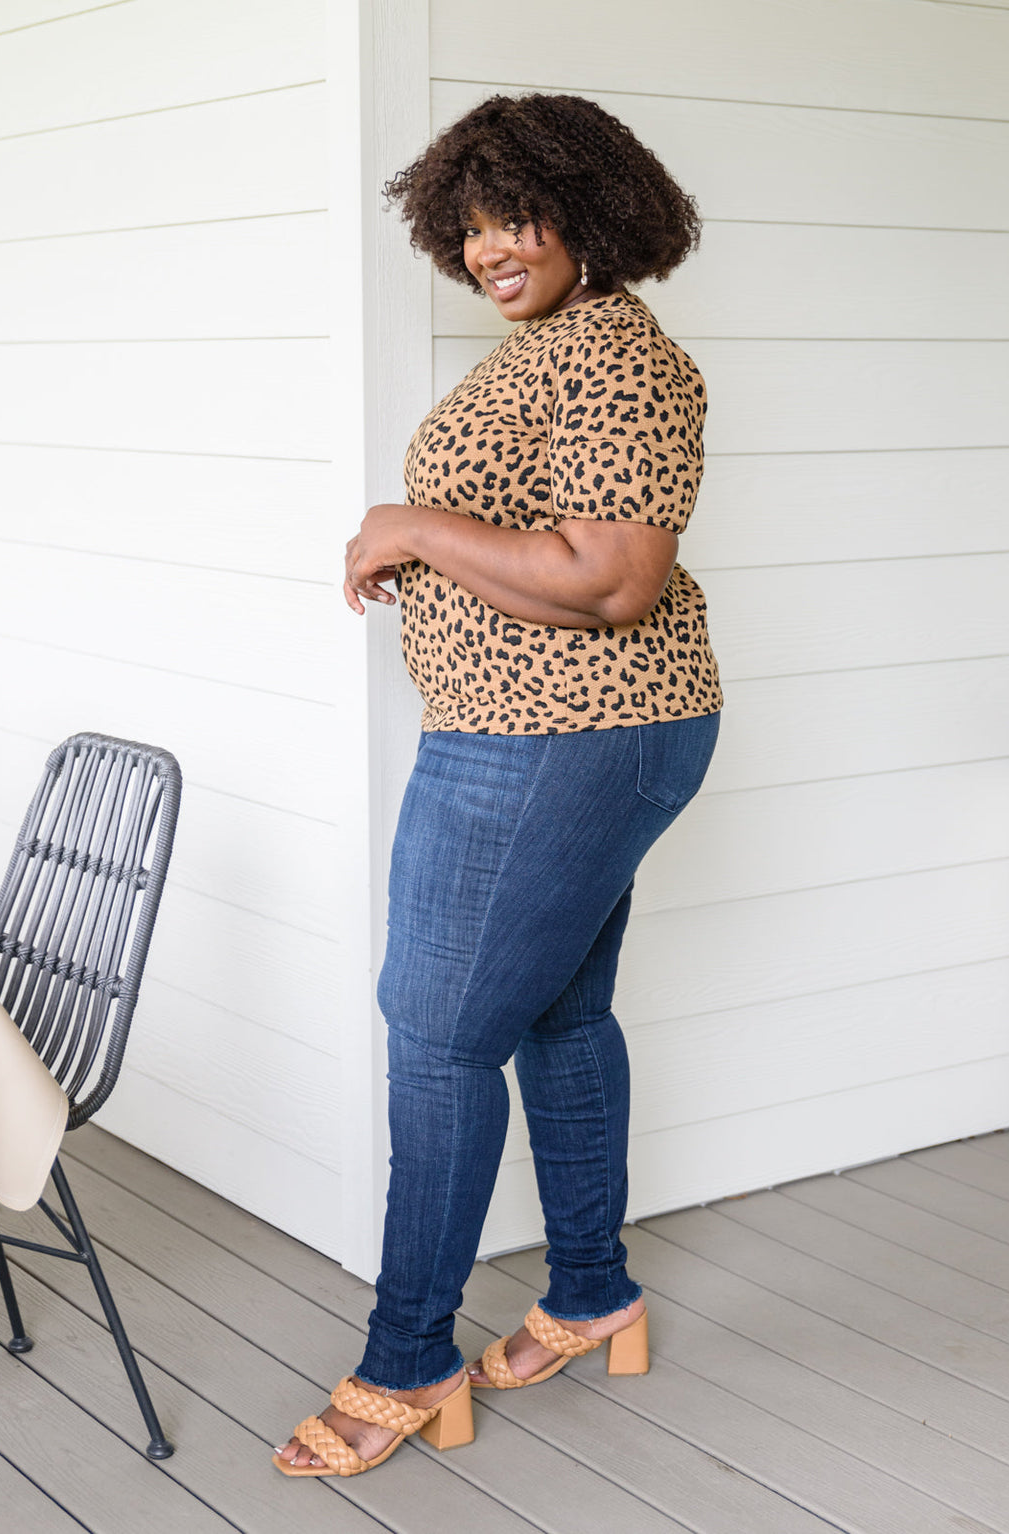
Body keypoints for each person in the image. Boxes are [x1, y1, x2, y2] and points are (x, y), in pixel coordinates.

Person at [274, 91, 722, 1479]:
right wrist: (421, 539)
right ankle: (592, 1295)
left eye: (517, 217)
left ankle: (408, 1359)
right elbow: (546, 547)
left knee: (439, 1036)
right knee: (559, 1016)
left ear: (590, 214)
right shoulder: (551, 350)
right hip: (548, 731)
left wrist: (408, 524)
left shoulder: (622, 361)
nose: (489, 248)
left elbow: (611, 580)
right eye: (469, 226)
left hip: (553, 738)